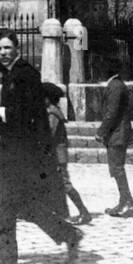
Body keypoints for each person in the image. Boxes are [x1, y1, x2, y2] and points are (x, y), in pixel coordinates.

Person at [0, 32, 82, 264]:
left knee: (5, 204)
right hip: (14, 151)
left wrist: (2, 113)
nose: (3, 53)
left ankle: (5, 258)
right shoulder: (10, 74)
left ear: (18, 48)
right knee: (25, 205)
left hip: (22, 153)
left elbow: (31, 113)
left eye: (7, 48)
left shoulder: (26, 74)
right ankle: (69, 234)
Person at [43, 82, 91, 224]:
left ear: (48, 98)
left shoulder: (53, 114)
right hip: (53, 154)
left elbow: (48, 135)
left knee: (65, 185)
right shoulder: (49, 111)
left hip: (56, 156)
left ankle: (84, 212)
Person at [95, 66, 133, 218]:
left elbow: (112, 112)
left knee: (117, 169)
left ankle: (129, 204)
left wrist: (101, 132)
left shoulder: (115, 87)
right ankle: (125, 202)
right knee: (116, 169)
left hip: (117, 134)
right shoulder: (116, 85)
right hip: (117, 133)